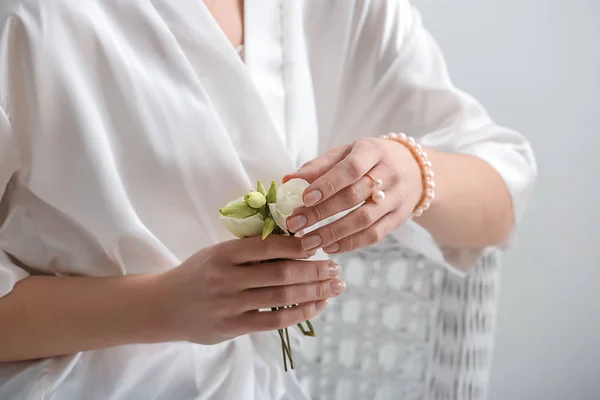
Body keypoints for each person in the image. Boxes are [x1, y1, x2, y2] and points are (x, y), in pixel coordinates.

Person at [0, 0, 536, 399]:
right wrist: (165, 305)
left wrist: (413, 173)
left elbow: (498, 202)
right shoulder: (31, 16)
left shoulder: (348, 10)